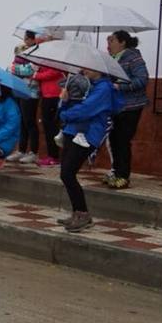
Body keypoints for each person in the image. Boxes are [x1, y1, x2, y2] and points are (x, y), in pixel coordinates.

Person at [56, 68, 118, 233]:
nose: (84, 70)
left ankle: (83, 214)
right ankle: (77, 212)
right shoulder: (88, 84)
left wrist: (65, 114)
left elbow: (86, 110)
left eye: (88, 68)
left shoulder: (103, 88)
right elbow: (76, 104)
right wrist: (65, 101)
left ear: (99, 69)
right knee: (65, 173)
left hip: (88, 133)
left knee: (68, 173)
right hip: (72, 130)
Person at [104, 30, 149, 189]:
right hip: (115, 106)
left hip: (131, 106)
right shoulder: (111, 59)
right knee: (114, 140)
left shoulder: (133, 57)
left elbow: (142, 79)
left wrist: (119, 86)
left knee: (123, 140)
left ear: (122, 42)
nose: (109, 43)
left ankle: (123, 175)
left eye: (112, 40)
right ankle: (115, 171)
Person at [6, 31, 39, 164]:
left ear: (32, 40)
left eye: (27, 39)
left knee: (30, 121)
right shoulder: (21, 51)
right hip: (19, 90)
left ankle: (33, 152)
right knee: (22, 122)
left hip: (31, 92)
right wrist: (16, 68)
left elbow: (30, 70)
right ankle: (21, 150)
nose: (25, 41)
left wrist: (16, 69)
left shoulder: (37, 54)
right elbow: (11, 68)